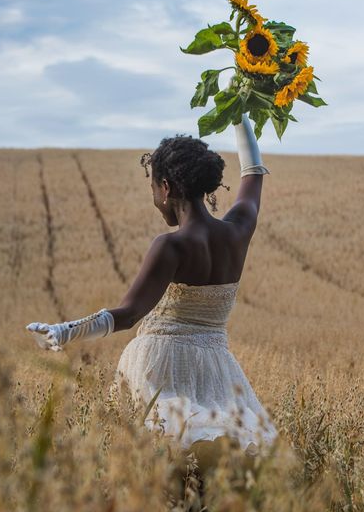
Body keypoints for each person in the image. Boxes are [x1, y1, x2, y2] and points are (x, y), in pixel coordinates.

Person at [26, 113, 279, 470]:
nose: (155, 201)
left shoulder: (171, 246)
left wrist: (63, 332)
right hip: (218, 368)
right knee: (213, 461)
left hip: (162, 367)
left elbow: (128, 315)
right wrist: (239, 114)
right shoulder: (238, 230)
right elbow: (253, 173)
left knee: (155, 467)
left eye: (153, 192)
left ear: (165, 187)